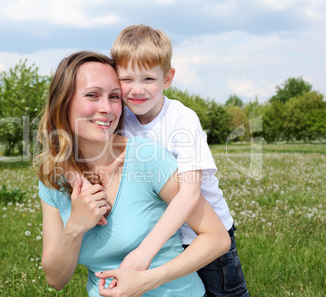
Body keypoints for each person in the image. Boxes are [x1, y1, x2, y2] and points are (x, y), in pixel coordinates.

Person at [34, 50, 230, 297]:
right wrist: (75, 226)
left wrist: (146, 280)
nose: (106, 108)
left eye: (114, 97)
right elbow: (56, 279)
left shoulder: (146, 158)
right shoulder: (54, 177)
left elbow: (217, 238)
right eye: (92, 95)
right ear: (63, 101)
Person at [106, 24, 250, 297]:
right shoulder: (121, 120)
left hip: (202, 237)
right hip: (164, 237)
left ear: (167, 78)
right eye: (126, 79)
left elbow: (189, 194)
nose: (137, 89)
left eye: (148, 79)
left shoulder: (181, 120)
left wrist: (145, 251)